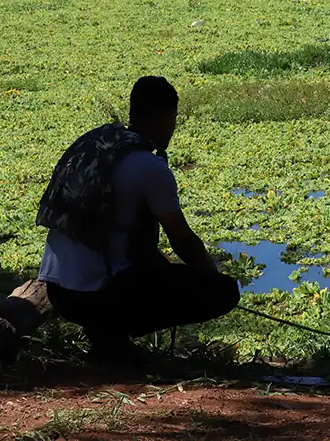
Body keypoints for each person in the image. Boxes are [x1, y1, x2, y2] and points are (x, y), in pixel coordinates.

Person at [37, 77, 240, 364]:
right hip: (101, 298)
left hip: (58, 291)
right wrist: (209, 277)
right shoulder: (150, 167)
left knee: (146, 268)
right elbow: (183, 241)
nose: (173, 126)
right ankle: (112, 338)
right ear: (164, 117)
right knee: (224, 291)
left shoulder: (95, 144)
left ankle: (106, 337)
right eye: (174, 118)